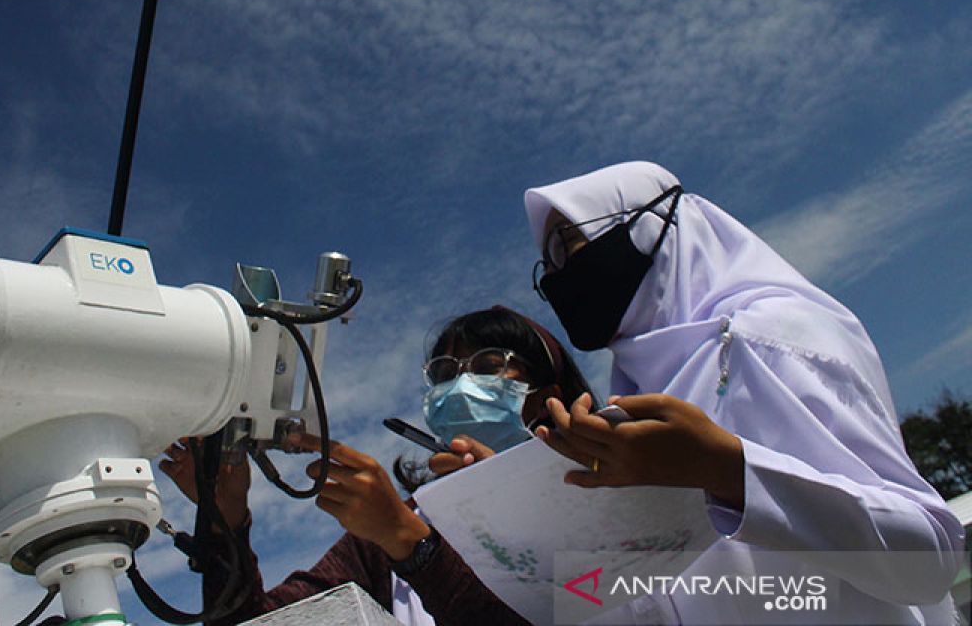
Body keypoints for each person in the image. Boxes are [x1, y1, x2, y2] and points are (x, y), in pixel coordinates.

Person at [525, 160, 966, 624]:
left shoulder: (770, 337)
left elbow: (927, 561)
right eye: (547, 263)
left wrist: (726, 470)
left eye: (566, 243)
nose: (559, 276)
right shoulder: (632, 398)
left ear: (651, 226)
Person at [160, 305, 595, 625]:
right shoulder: (383, 537)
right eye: (446, 373)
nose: (461, 384)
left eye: (488, 366)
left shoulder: (595, 502)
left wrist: (410, 544)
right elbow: (262, 621)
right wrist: (225, 526)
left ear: (545, 395)